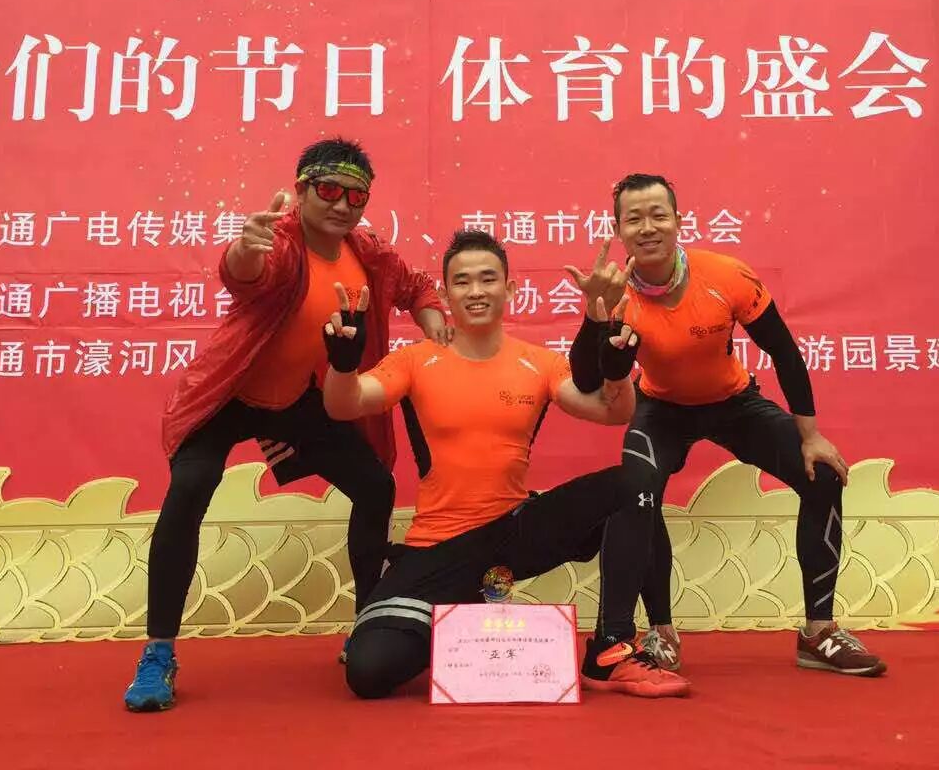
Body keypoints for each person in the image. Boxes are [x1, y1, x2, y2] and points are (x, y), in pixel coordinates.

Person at [124, 137, 448, 712]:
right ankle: (158, 653)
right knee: (191, 487)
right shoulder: (280, 241)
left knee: (375, 486)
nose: (342, 205)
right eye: (328, 190)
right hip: (228, 395)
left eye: (355, 196)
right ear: (301, 190)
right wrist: (243, 251)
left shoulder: (366, 250)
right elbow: (247, 274)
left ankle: (367, 623)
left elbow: (415, 285)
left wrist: (433, 324)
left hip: (299, 400)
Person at [323, 229, 690, 699]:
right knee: (368, 672)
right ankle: (459, 621)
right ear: (446, 294)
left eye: (488, 279)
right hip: (439, 549)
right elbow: (345, 404)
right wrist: (343, 365)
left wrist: (616, 374)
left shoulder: (537, 362)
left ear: (511, 289)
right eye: (462, 281)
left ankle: (610, 648)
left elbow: (609, 411)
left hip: (514, 534)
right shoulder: (415, 361)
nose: (476, 291)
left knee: (636, 482)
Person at [569, 173, 888, 688]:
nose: (647, 228)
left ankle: (819, 632)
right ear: (618, 230)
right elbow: (587, 380)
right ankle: (660, 634)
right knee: (637, 492)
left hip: (734, 403)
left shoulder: (725, 275)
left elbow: (783, 351)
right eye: (634, 219)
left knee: (824, 474)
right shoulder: (615, 291)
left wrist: (810, 435)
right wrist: (594, 315)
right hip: (661, 410)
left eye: (658, 215)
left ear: (678, 221)